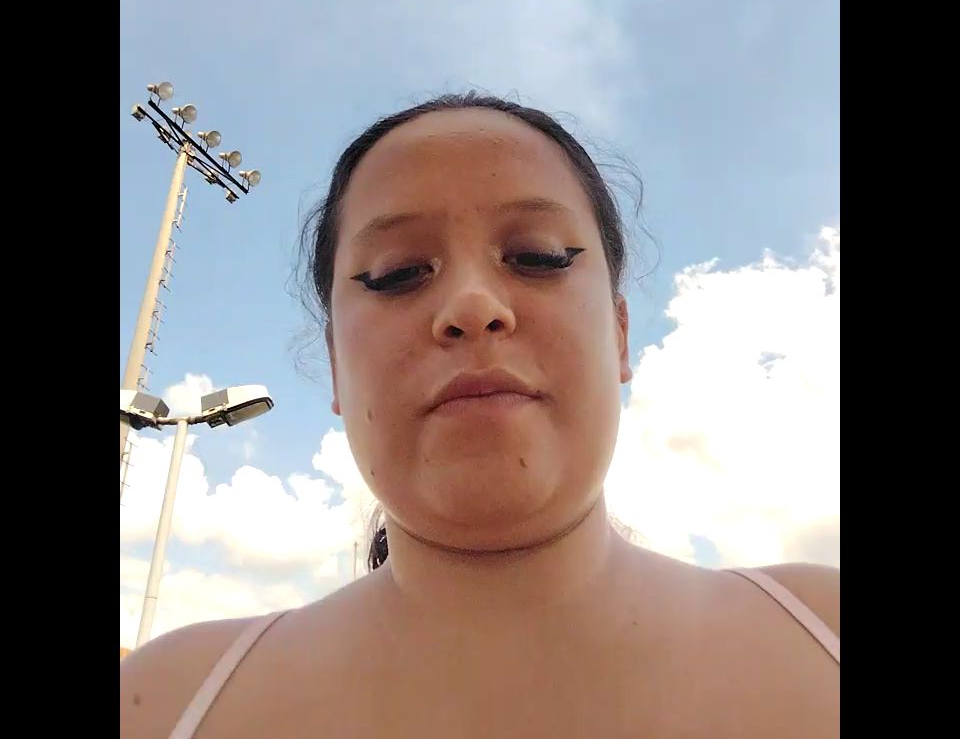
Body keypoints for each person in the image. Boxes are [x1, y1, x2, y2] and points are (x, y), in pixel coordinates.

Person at [121, 93, 839, 739]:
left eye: (537, 256)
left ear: (620, 335)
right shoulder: (167, 702)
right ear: (336, 364)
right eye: (397, 273)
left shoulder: (823, 627)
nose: (471, 305)